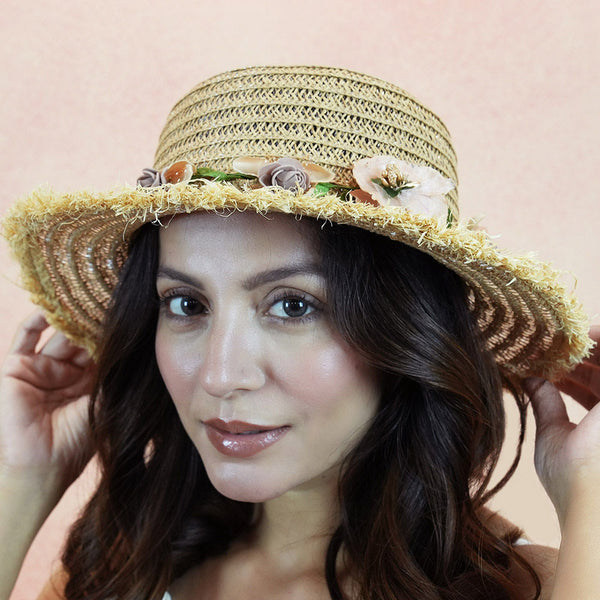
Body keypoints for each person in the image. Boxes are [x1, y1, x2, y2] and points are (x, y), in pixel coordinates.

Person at [1, 66, 598, 600]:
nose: (221, 375)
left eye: (292, 306)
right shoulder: (117, 573)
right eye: (186, 303)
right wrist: (19, 480)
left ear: (408, 332)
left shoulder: (538, 588)